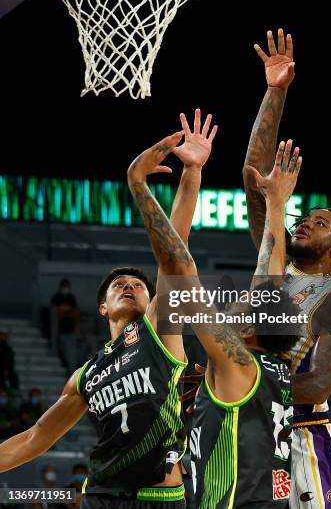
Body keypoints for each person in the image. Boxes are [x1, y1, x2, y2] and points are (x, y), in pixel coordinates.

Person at [0, 110, 217, 509]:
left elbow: (176, 248)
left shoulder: (159, 332)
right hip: (101, 495)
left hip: (162, 495)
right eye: (119, 285)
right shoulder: (87, 374)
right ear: (102, 308)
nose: (129, 286)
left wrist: (192, 174)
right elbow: (35, 438)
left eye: (138, 284)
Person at [133, 131, 302, 507]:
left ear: (248, 328)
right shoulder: (271, 365)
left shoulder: (239, 363)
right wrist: (276, 204)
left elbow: (177, 273)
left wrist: (139, 185)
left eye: (244, 300)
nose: (235, 299)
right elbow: (270, 277)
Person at [243, 29, 331, 508]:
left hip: (301, 438)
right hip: (253, 425)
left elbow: (318, 384)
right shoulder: (273, 259)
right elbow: (256, 180)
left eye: (319, 224)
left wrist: (240, 378)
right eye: (303, 217)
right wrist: (275, 92)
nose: (303, 223)